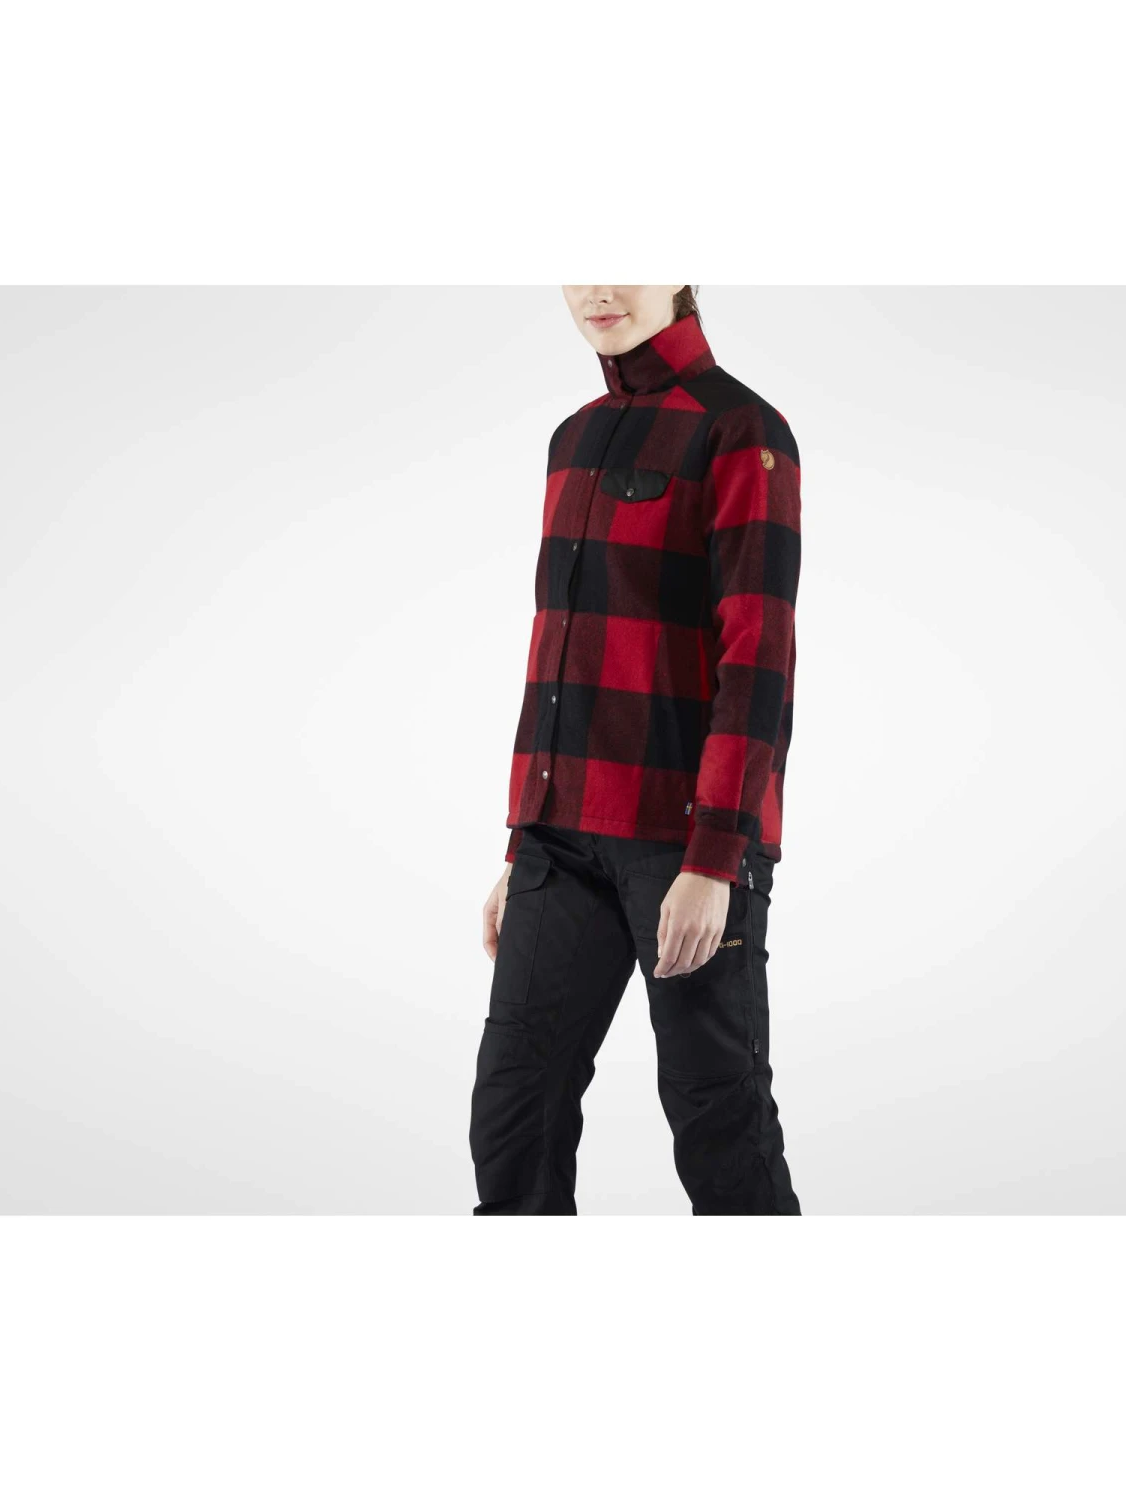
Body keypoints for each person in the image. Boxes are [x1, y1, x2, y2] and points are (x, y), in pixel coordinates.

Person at [468, 285, 803, 1214]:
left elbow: (759, 661)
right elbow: (561, 655)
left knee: (718, 1121)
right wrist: (522, 844)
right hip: (560, 837)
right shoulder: (573, 438)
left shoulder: (742, 431)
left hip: (683, 843)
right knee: (513, 1114)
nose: (599, 291)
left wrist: (715, 859)